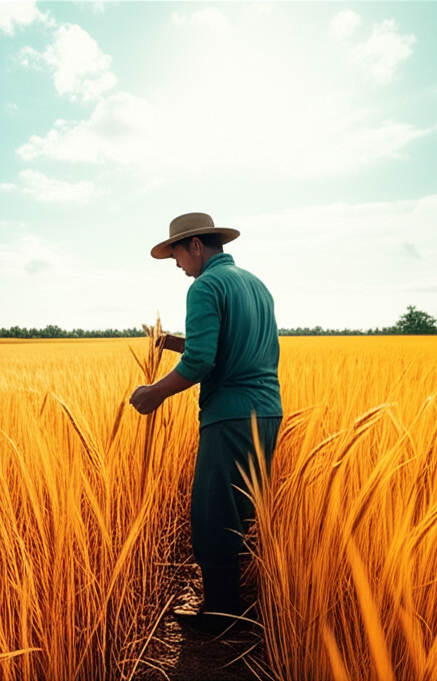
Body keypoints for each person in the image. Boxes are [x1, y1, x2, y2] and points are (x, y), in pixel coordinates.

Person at [129, 212, 283, 637]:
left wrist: (154, 393)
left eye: (176, 254)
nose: (177, 265)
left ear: (196, 246)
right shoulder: (255, 285)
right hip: (267, 411)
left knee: (214, 512)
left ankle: (220, 615)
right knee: (244, 508)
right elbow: (232, 344)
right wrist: (170, 342)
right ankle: (237, 605)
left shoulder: (205, 286)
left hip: (229, 415)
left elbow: (201, 360)